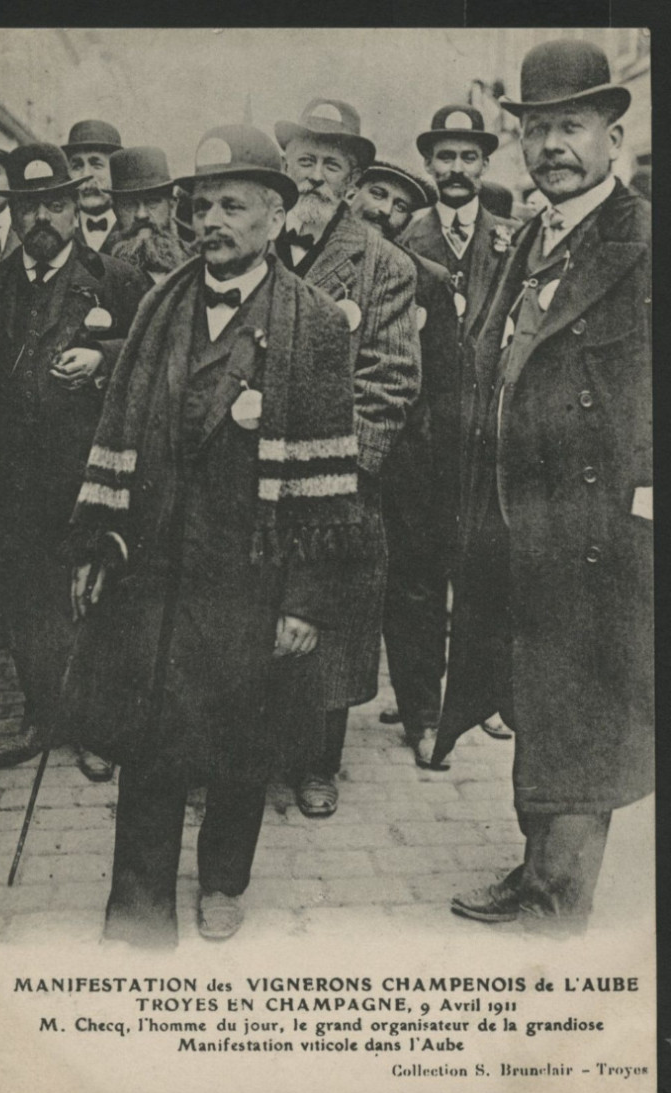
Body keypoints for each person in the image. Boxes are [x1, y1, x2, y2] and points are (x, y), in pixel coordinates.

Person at [68, 124, 359, 946]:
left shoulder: (314, 324)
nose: (212, 221)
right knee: (150, 738)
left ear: (276, 214)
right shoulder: (162, 306)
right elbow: (119, 423)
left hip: (252, 568)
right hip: (157, 566)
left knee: (239, 740)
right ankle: (137, 910)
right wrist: (98, 537)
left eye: (234, 204)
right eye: (202, 205)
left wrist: (304, 598)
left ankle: (225, 879)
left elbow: (332, 476)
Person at [436, 39, 652, 929]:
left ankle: (560, 910)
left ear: (610, 132)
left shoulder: (641, 242)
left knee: (582, 720)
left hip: (597, 534)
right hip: (511, 525)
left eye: (570, 127)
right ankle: (538, 873)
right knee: (533, 703)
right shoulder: (526, 237)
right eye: (536, 130)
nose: (552, 146)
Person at [0, 142, 150, 781]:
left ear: (76, 207)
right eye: (29, 207)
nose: (42, 219)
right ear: (12, 215)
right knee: (27, 603)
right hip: (15, 480)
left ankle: (98, 731)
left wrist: (104, 360)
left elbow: (154, 358)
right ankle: (49, 719)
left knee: (96, 598)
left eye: (55, 204)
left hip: (89, 475)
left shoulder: (118, 280)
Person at [274, 99, 421, 816]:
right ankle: (244, 749)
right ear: (283, 166)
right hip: (251, 468)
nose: (316, 177)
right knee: (250, 612)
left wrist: (342, 472)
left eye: (333, 164)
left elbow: (391, 379)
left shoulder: (384, 264)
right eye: (305, 160)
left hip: (338, 478)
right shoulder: (252, 240)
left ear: (356, 179)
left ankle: (318, 763)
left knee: (329, 627)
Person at [399, 104, 519, 744]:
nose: (455, 169)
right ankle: (421, 711)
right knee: (417, 579)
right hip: (421, 439)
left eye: (467, 157)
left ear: (484, 165)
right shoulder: (404, 238)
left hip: (488, 438)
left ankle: (484, 698)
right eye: (444, 157)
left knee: (485, 571)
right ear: (427, 165)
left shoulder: (514, 238)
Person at [349, 161, 458, 767]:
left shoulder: (428, 279)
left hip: (406, 462)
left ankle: (425, 717)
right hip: (334, 451)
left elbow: (444, 383)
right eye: (376, 194)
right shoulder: (314, 262)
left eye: (399, 206)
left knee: (414, 589)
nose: (384, 211)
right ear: (353, 194)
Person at [108, 146, 192, 283]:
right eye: (129, 204)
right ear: (115, 211)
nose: (141, 215)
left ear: (172, 205)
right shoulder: (100, 273)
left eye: (152, 202)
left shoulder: (196, 265)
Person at [63, 120, 123, 254]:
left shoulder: (131, 233)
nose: (86, 175)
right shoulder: (60, 234)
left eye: (96, 165)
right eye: (77, 166)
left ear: (116, 172)